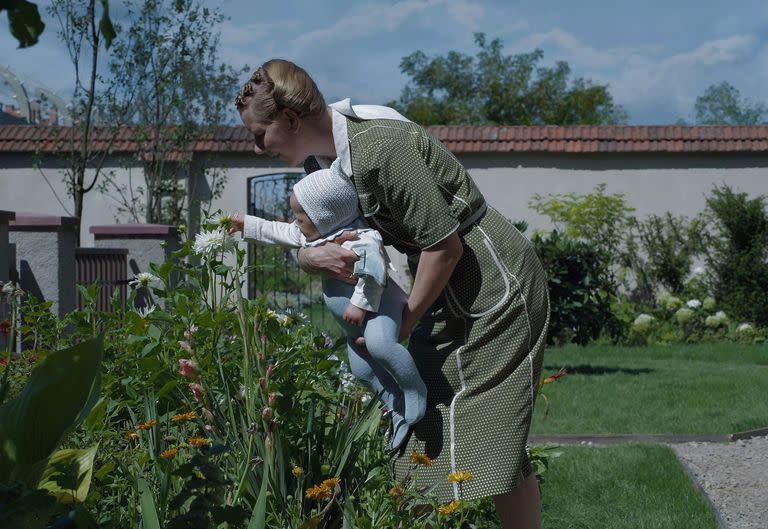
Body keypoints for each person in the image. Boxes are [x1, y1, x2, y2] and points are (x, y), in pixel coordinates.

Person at [234, 59, 550, 529]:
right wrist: (307, 258)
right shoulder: (325, 165)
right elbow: (322, 239)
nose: (258, 148)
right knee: (424, 426)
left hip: (494, 287)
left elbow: (445, 246)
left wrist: (403, 325)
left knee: (486, 434)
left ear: (291, 120)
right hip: (445, 291)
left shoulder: (380, 148)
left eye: (260, 135)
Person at [228, 160, 427, 450]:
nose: (294, 221)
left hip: (379, 309)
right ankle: (395, 404)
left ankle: (414, 390)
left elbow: (375, 272)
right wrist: (246, 224)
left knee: (382, 345)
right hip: (352, 326)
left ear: (324, 216)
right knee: (362, 371)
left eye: (300, 216)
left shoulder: (361, 238)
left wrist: (359, 305)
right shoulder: (315, 236)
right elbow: (277, 231)